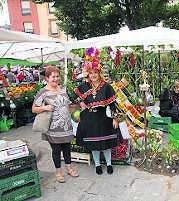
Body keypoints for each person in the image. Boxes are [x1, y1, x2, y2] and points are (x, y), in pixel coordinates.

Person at [74, 47, 118, 175]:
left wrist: (115, 118)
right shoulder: (84, 86)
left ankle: (109, 164)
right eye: (91, 73)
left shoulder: (106, 87)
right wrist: (82, 104)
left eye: (95, 72)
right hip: (89, 118)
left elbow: (112, 104)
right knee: (94, 144)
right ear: (88, 73)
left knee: (105, 143)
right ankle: (98, 165)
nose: (93, 75)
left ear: (99, 73)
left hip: (103, 118)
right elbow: (73, 96)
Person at [32, 66, 79, 183]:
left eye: (57, 76)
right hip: (53, 127)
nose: (56, 79)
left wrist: (76, 112)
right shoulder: (43, 92)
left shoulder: (62, 90)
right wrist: (45, 107)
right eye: (53, 77)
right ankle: (58, 171)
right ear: (47, 78)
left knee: (67, 148)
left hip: (66, 126)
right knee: (56, 150)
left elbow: (67, 106)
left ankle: (69, 167)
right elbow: (34, 109)